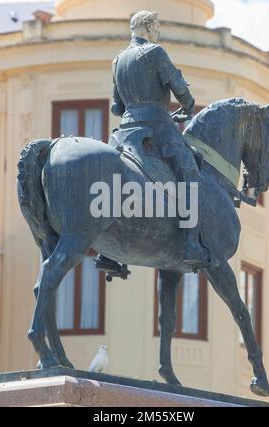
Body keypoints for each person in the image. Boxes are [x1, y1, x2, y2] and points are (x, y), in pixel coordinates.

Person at [96, 10, 210, 272]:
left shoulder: (118, 61)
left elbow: (116, 107)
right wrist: (188, 103)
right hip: (157, 128)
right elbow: (180, 89)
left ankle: (109, 253)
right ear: (148, 27)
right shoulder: (155, 52)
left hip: (124, 133)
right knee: (189, 170)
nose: (157, 32)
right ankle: (192, 242)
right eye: (156, 27)